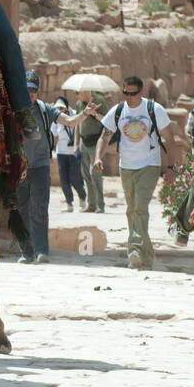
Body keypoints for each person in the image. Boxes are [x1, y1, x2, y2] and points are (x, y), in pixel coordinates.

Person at [94, 76, 174, 270]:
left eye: (133, 93)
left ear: (141, 92)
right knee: (131, 210)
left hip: (149, 165)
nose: (129, 97)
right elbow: (104, 138)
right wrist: (98, 157)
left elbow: (170, 140)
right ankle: (147, 258)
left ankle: (134, 250)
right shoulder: (118, 111)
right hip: (126, 166)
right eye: (126, 93)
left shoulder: (154, 110)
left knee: (140, 207)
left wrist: (170, 168)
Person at [17, 72, 97, 263]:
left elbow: (69, 121)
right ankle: (26, 252)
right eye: (27, 90)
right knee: (21, 210)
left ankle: (41, 251)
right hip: (19, 166)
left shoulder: (46, 110)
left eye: (33, 90)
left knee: (39, 208)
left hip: (40, 165)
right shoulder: (14, 109)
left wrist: (85, 113)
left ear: (38, 91)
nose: (30, 94)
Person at [51, 96, 89, 212]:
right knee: (64, 179)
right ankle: (69, 203)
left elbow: (81, 130)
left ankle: (82, 198)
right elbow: (53, 134)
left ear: (66, 107)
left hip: (74, 152)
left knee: (75, 177)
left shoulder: (75, 114)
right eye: (58, 109)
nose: (60, 111)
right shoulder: (56, 118)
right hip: (61, 152)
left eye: (62, 108)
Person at [75, 88, 111, 212]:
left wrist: (94, 113)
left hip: (96, 141)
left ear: (85, 91)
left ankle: (100, 205)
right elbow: (77, 123)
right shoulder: (79, 104)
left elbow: (108, 121)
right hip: (83, 142)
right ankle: (91, 204)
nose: (76, 95)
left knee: (95, 173)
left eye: (77, 92)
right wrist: (76, 144)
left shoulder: (99, 100)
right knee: (86, 174)